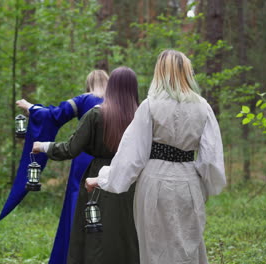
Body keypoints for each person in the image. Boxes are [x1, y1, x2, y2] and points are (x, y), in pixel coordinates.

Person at [86, 50, 226, 264]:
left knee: (154, 248)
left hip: (154, 183)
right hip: (189, 182)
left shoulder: (150, 105)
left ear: (160, 72)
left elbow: (133, 155)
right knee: (188, 247)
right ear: (187, 73)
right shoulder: (203, 106)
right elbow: (210, 159)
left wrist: (103, 178)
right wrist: (203, 187)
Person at [0, 70, 108, 264]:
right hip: (111, 162)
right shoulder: (121, 102)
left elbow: (54, 115)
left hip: (83, 159)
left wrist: (31, 108)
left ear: (88, 84)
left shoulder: (84, 100)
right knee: (106, 211)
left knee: (77, 208)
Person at [32, 67, 140, 264]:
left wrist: (43, 146)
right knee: (127, 232)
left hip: (97, 178)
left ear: (111, 87)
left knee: (95, 233)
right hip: (132, 179)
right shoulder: (142, 117)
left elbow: (70, 149)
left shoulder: (96, 115)